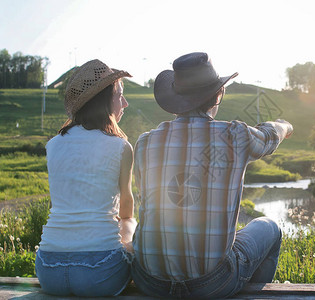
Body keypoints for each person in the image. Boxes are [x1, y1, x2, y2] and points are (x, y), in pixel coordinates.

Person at [132, 52, 293, 298]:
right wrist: (285, 125)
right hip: (211, 283)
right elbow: (270, 137)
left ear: (175, 98)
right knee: (269, 226)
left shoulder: (145, 142)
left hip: (149, 280)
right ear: (218, 95)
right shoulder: (234, 135)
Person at [35, 59, 137, 297]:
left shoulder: (54, 145)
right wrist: (127, 237)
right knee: (130, 223)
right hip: (99, 272)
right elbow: (126, 207)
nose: (125, 103)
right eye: (119, 95)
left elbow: (56, 204)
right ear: (103, 101)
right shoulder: (121, 146)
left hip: (48, 270)